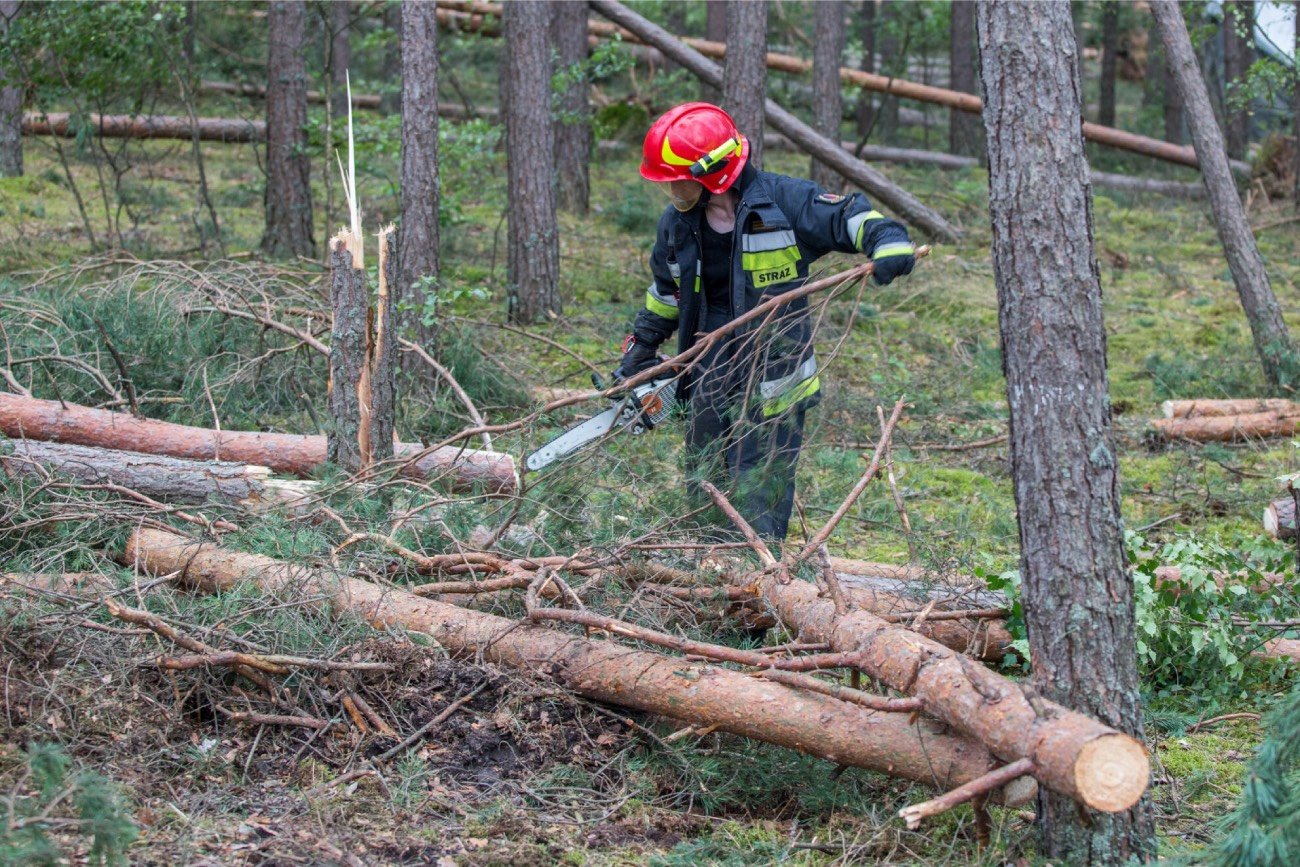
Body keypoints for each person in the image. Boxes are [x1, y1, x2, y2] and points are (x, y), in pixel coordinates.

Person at [613, 102, 916, 542]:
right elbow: (666, 292)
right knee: (706, 477)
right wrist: (642, 345)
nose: (674, 191)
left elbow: (848, 216)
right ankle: (703, 570)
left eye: (679, 181)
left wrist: (888, 241)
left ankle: (762, 577)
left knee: (758, 490)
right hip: (708, 364)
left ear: (712, 172)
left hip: (775, 374)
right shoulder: (678, 224)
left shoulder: (784, 202)